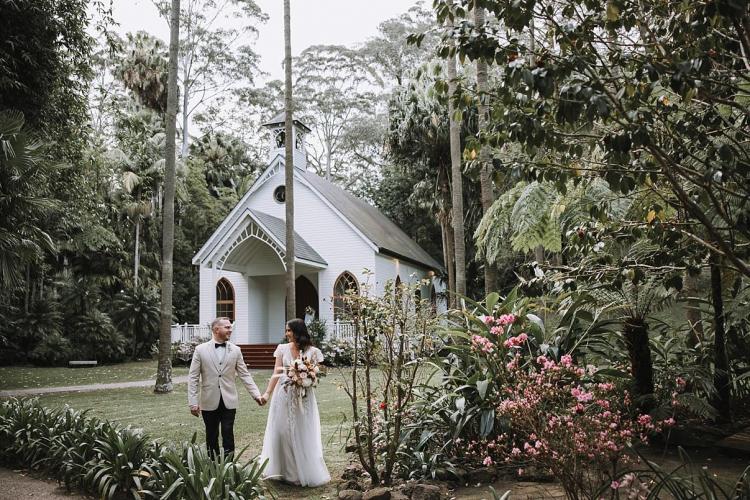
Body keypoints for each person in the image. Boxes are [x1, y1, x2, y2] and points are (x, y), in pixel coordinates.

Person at [259, 318, 330, 486]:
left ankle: (300, 471)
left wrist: (309, 377)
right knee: (281, 430)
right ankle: (283, 470)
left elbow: (320, 373)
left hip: (303, 397)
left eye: (289, 330)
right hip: (283, 395)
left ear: (298, 331)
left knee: (302, 431)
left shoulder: (313, 351)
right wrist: (267, 393)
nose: (286, 334)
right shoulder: (282, 349)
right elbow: (276, 372)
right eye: (286, 330)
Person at [188, 317, 265, 458]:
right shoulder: (200, 350)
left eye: (230, 327)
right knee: (211, 434)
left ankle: (229, 465)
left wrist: (256, 395)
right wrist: (193, 402)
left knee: (228, 432)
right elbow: (193, 377)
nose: (231, 330)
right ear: (216, 330)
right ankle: (213, 466)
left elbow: (245, 375)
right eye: (227, 327)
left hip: (229, 400)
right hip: (209, 400)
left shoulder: (236, 350)